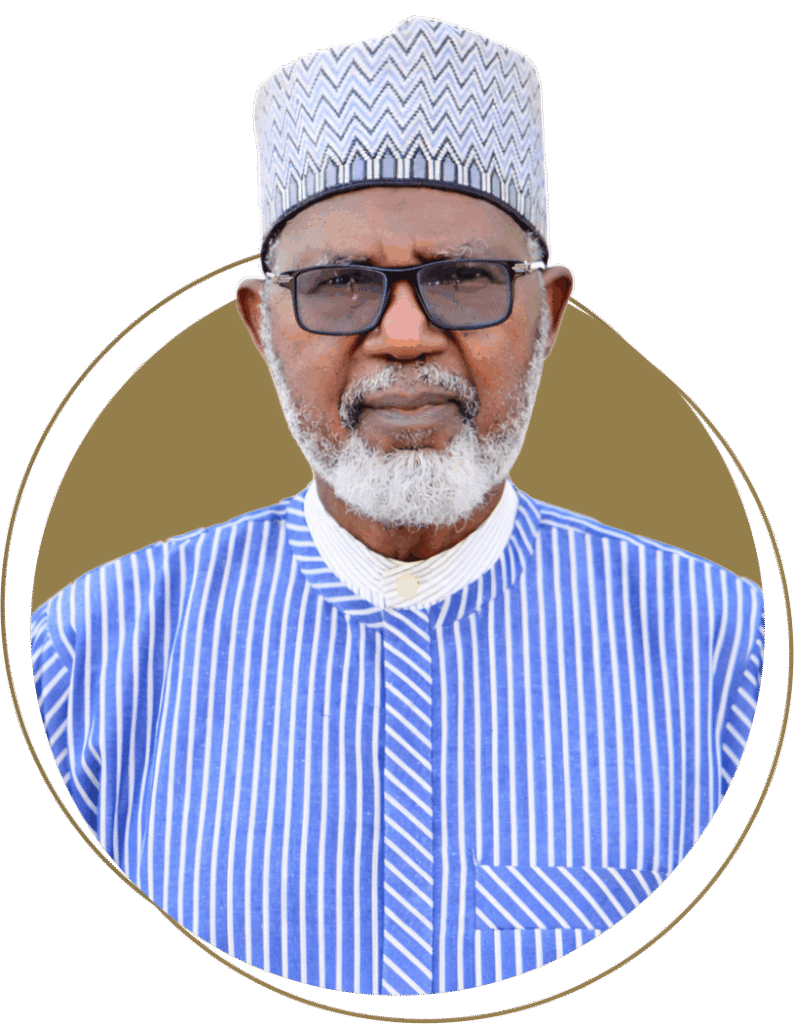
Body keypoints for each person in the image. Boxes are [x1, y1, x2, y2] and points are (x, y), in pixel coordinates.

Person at [31, 17, 763, 996]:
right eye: (340, 285)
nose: (406, 335)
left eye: (462, 278)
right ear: (263, 326)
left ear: (547, 315)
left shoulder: (726, 656)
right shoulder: (86, 657)